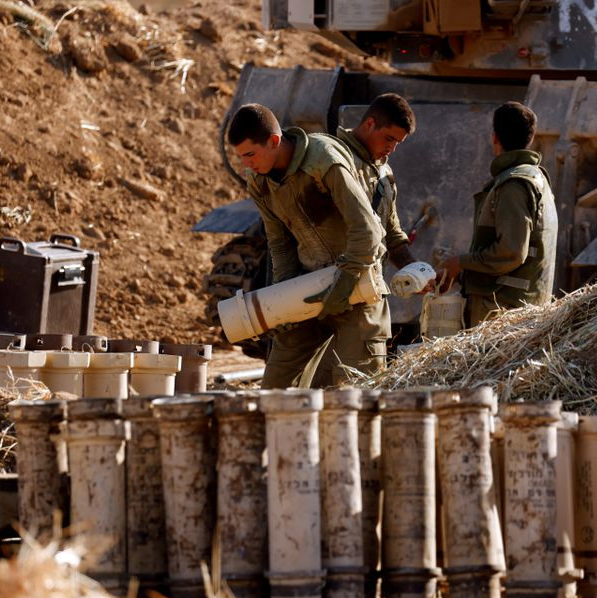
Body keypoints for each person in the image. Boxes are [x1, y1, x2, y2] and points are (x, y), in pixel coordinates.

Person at [227, 103, 391, 388]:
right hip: (306, 289)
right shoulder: (259, 181)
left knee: (354, 393)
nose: (247, 165)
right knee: (274, 389)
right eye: (241, 157)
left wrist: (346, 280)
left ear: (274, 141)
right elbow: (279, 244)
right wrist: (282, 301)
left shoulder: (324, 160)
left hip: (358, 288)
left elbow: (367, 230)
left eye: (250, 154)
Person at [437, 101, 557, 327]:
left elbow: (511, 253)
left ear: (495, 138)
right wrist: (462, 274)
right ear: (530, 139)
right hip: (522, 310)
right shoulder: (537, 179)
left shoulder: (513, 185)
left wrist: (459, 263)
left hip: (502, 312)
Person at [336, 93, 418, 270]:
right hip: (330, 279)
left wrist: (414, 271)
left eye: (397, 142)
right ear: (370, 124)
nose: (392, 149)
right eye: (389, 139)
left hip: (371, 286)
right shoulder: (334, 160)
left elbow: (392, 234)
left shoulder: (384, 174)